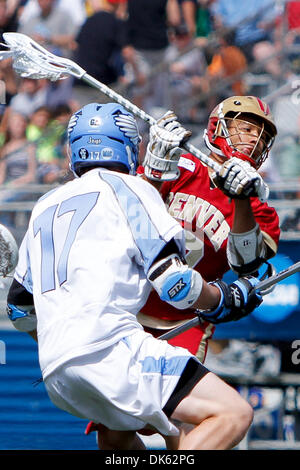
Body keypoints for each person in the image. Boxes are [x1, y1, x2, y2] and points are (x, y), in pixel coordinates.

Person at [6, 102, 262, 450]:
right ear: (128, 146)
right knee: (232, 413)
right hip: (111, 351)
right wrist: (224, 299)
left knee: (127, 439)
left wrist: (65, 345)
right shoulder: (131, 188)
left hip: (56, 372)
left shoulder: (46, 203)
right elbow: (176, 284)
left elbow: (20, 309)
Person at [85, 95, 280, 448]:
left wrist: (240, 198)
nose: (253, 140)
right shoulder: (183, 166)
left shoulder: (258, 206)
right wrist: (157, 171)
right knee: (116, 429)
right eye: (247, 128)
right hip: (129, 310)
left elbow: (246, 260)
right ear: (219, 126)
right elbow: (126, 219)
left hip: (185, 323)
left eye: (261, 136)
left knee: (175, 418)